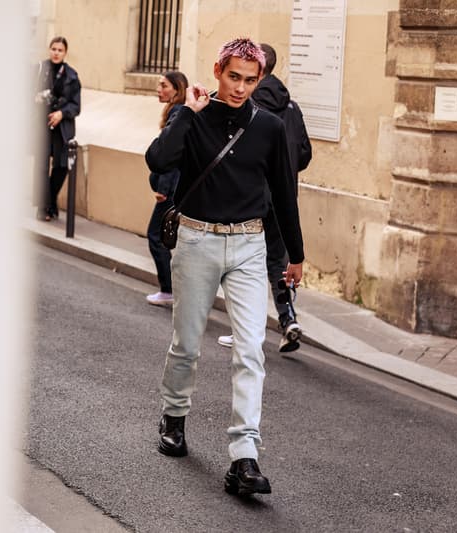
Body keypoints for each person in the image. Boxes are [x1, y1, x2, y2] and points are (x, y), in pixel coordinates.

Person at [146, 37, 304, 496]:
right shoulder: (192, 117)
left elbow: (283, 194)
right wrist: (188, 114)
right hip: (197, 240)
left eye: (250, 80)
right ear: (218, 70)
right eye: (233, 77)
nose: (240, 88)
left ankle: (244, 456)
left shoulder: (270, 127)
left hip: (250, 246)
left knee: (251, 350)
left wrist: (294, 253)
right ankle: (174, 416)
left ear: (260, 81)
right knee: (187, 343)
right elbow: (158, 159)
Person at [217, 42, 312, 352]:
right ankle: (288, 319)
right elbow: (305, 154)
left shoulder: (245, 105)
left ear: (258, 70)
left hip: (252, 198)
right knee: (276, 262)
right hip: (283, 197)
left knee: (244, 264)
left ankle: (245, 328)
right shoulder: (292, 107)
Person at [146, 71, 189, 307]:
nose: (158, 89)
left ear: (177, 89)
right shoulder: (177, 112)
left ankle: (168, 290)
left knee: (156, 237)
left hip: (170, 191)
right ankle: (172, 289)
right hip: (174, 190)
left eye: (163, 85)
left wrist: (163, 188)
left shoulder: (178, 112)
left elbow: (173, 154)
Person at [33, 37, 81, 221]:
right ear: (49, 49)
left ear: (65, 53)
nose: (56, 52)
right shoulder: (39, 70)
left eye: (60, 50)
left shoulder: (71, 75)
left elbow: (76, 106)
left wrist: (61, 113)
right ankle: (42, 207)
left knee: (61, 167)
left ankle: (50, 201)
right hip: (41, 125)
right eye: (53, 48)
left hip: (62, 128)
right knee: (41, 167)